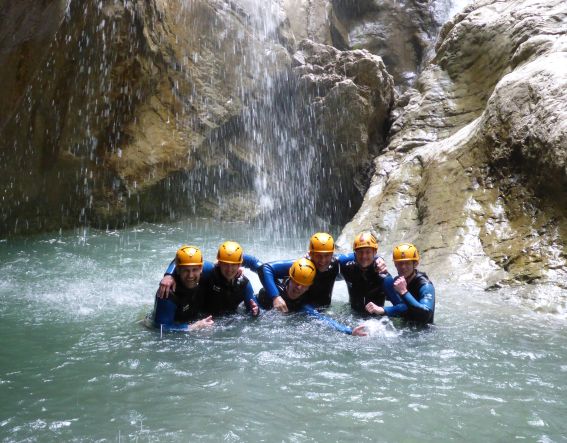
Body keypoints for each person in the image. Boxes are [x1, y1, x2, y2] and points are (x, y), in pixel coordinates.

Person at [258, 257, 367, 336]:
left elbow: (323, 319)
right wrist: (275, 297)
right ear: (289, 278)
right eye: (296, 282)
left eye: (304, 285)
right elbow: (261, 267)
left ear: (308, 287)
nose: (299, 288)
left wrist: (349, 331)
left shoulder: (302, 304)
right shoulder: (273, 289)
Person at [258, 232, 352, 312]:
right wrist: (276, 297)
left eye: (327, 255)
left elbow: (359, 255)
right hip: (303, 311)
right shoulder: (304, 265)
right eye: (318, 255)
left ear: (332, 254)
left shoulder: (335, 262)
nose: (323, 260)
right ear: (311, 254)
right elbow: (265, 268)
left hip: (323, 311)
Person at [365, 243, 435, 324]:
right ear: (395, 264)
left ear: (415, 264)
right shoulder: (397, 282)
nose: (403, 267)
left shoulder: (425, 285)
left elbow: (426, 315)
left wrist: (404, 292)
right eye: (400, 263)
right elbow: (403, 308)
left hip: (424, 332)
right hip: (405, 329)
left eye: (407, 263)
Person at [149, 245, 214, 331]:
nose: (190, 275)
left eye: (194, 270)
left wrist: (237, 270)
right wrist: (192, 327)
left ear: (201, 269)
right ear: (178, 270)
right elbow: (161, 328)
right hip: (173, 324)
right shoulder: (167, 293)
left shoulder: (207, 270)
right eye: (186, 270)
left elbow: (224, 265)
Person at [199, 241, 260, 316]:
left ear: (239, 265)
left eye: (233, 265)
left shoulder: (243, 283)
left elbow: (253, 307)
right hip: (205, 318)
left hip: (230, 320)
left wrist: (256, 311)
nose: (229, 269)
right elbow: (187, 266)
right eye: (225, 264)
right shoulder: (209, 271)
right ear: (219, 263)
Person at [340, 232, 390, 313]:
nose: (364, 256)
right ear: (355, 253)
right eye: (360, 252)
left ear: (375, 252)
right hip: (352, 316)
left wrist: (383, 310)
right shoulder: (347, 268)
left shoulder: (384, 276)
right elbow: (327, 258)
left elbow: (402, 306)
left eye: (368, 252)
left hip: (377, 322)